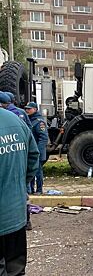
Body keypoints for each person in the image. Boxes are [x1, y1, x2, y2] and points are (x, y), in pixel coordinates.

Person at [0, 107, 39, 275]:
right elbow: (33, 157)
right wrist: (19, 186)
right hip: (16, 215)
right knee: (16, 268)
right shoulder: (15, 121)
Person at [25, 102, 48, 195]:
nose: (27, 110)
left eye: (29, 109)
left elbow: (43, 138)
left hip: (37, 152)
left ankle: (39, 189)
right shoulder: (29, 120)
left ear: (35, 109)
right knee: (30, 170)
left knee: (38, 171)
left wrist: (37, 150)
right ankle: (31, 189)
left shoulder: (39, 122)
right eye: (26, 108)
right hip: (31, 151)